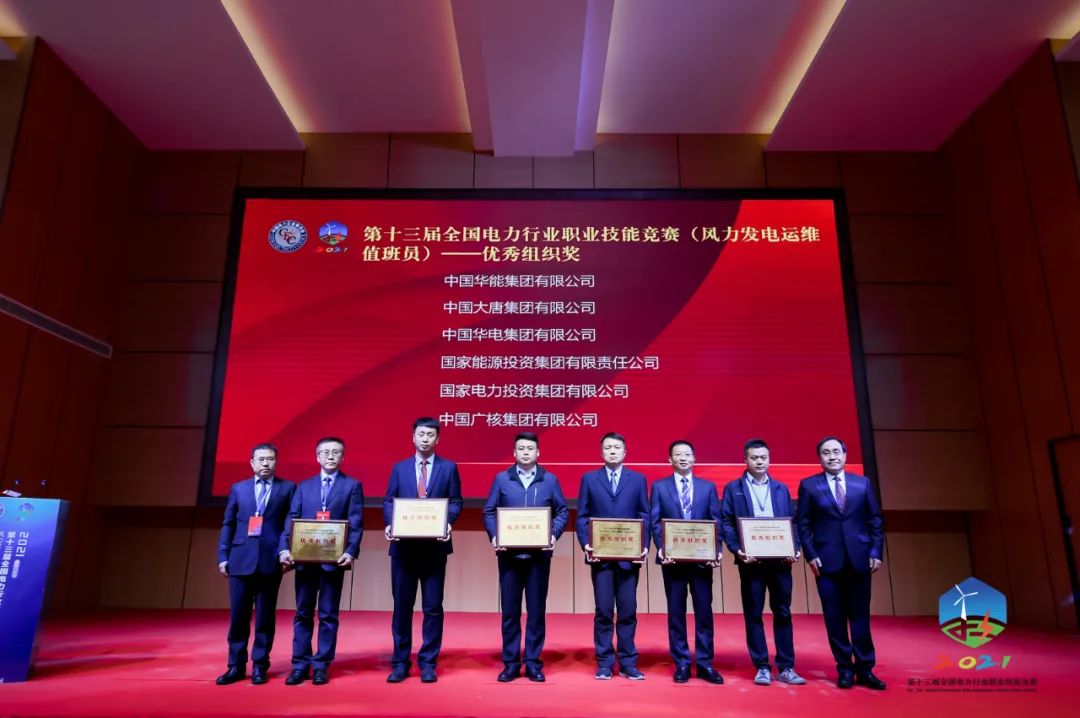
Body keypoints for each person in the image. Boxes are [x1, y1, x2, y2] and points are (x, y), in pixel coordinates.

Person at [795, 436, 886, 690]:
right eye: (826, 452)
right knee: (834, 619)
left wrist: (876, 551)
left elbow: (875, 520)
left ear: (845, 455)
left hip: (860, 560)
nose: (832, 456)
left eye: (836, 451)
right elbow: (803, 524)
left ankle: (865, 668)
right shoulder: (809, 485)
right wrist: (811, 555)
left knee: (860, 617)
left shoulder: (862, 483)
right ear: (820, 458)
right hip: (826, 563)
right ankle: (844, 668)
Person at [482, 432, 569, 683]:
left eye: (530, 448)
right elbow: (489, 511)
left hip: (538, 557)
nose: (526, 452)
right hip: (509, 556)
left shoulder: (550, 480)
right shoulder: (502, 479)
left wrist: (552, 534)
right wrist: (495, 536)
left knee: (536, 612)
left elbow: (562, 511)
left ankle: (532, 662)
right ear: (514, 453)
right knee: (510, 612)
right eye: (521, 448)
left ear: (538, 453)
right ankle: (511, 663)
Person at [382, 417, 463, 684]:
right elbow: (389, 500)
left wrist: (447, 522)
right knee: (402, 607)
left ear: (437, 439)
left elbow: (456, 501)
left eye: (430, 435)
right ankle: (400, 662)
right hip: (403, 549)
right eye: (421, 434)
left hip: (434, 549)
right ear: (413, 437)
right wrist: (390, 524)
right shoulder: (399, 468)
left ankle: (428, 662)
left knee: (432, 607)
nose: (425, 439)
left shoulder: (448, 468)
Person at [720, 439, 805, 687]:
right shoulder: (733, 488)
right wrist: (737, 550)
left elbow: (792, 522)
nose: (759, 462)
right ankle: (762, 667)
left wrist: (794, 548)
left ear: (769, 460)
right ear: (745, 460)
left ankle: (786, 667)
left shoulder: (780, 488)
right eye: (754, 458)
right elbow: (726, 523)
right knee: (754, 614)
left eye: (763, 458)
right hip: (751, 562)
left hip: (780, 562)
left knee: (783, 612)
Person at [279, 437, 364, 686]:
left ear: (342, 457)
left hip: (333, 562)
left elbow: (356, 522)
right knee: (303, 613)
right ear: (317, 457)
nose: (330, 456)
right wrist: (284, 549)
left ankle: (321, 665)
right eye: (325, 452)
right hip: (305, 560)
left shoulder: (352, 486)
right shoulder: (304, 487)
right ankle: (299, 665)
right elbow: (291, 519)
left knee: (328, 615)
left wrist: (351, 551)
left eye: (336, 452)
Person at [216, 443, 296, 685]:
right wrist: (223, 556)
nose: (265, 463)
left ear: (276, 462)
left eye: (270, 459)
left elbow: (289, 524)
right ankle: (235, 666)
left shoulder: (288, 488)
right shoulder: (239, 488)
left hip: (270, 560)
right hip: (240, 559)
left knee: (265, 618)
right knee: (238, 617)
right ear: (252, 463)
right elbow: (229, 523)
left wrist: (284, 551)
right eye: (260, 459)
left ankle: (260, 665)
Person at [576, 432, 650, 680]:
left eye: (617, 447)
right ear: (601, 453)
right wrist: (587, 544)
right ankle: (605, 663)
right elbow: (582, 516)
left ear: (625, 452)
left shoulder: (637, 479)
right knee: (604, 611)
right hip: (601, 558)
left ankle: (628, 662)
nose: (612, 451)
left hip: (629, 557)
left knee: (628, 611)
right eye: (608, 448)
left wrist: (643, 545)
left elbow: (644, 514)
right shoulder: (589, 479)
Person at [650, 440, 724, 684]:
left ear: (694, 458)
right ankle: (681, 662)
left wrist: (716, 550)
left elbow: (716, 521)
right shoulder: (659, 487)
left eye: (687, 454)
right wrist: (662, 547)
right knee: (676, 613)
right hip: (673, 561)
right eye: (678, 454)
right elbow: (655, 522)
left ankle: (705, 663)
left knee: (704, 613)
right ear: (669, 459)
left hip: (702, 561)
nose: (683, 458)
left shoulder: (708, 487)